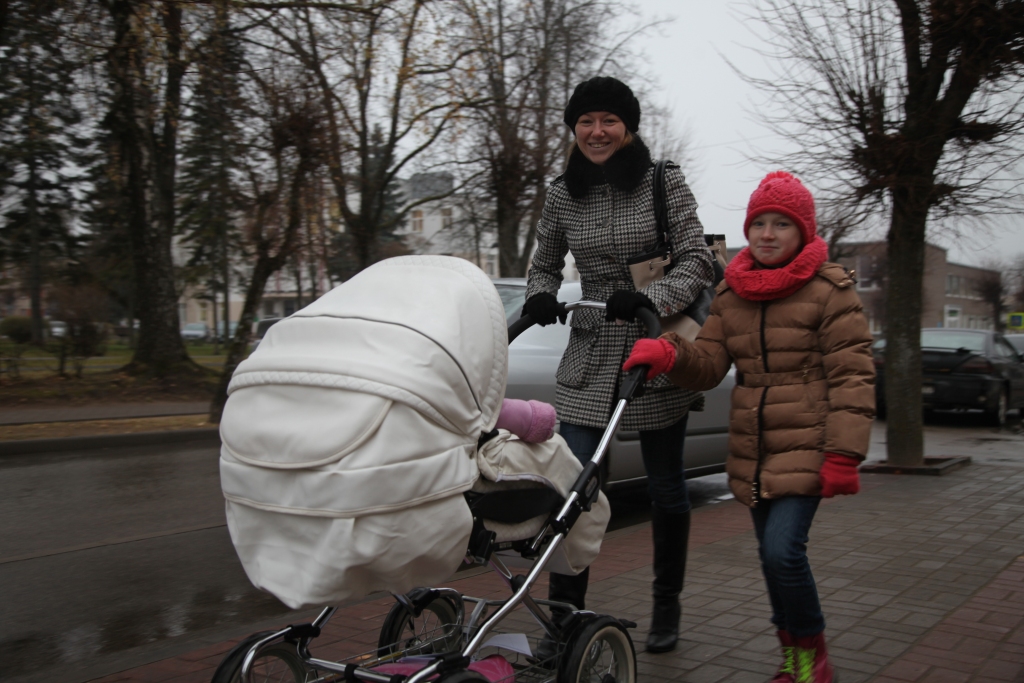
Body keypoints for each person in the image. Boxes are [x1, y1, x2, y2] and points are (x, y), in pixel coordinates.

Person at [623, 171, 875, 682]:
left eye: (781, 223)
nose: (766, 233)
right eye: (758, 222)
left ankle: (814, 659)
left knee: (783, 553)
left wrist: (845, 454)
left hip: (808, 445)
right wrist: (669, 353)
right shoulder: (733, 295)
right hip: (754, 451)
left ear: (803, 232)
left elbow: (852, 374)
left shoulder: (830, 292)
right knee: (769, 558)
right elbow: (711, 362)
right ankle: (796, 659)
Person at [523, 75, 714, 653]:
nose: (597, 131)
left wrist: (651, 301)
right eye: (586, 121)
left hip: (652, 346)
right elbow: (545, 263)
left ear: (627, 127)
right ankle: (564, 619)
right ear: (574, 129)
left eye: (609, 120)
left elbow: (698, 261)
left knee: (665, 484)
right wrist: (539, 293)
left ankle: (666, 607)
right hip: (589, 351)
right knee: (573, 484)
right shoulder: (563, 193)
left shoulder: (662, 182)